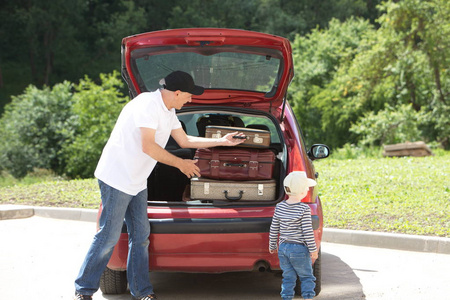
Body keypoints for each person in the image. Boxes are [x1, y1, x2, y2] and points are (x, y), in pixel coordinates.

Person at [74, 70, 245, 300]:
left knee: (141, 235)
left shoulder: (169, 110)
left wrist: (222, 142)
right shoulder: (147, 105)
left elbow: (184, 140)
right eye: (188, 95)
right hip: (117, 177)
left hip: (136, 179)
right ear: (176, 93)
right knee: (109, 236)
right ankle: (83, 289)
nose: (191, 99)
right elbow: (149, 147)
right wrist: (180, 164)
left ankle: (142, 291)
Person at [269, 171, 319, 300]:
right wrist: (313, 249)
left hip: (283, 248)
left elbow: (274, 228)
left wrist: (272, 245)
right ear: (303, 191)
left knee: (288, 276)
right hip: (299, 249)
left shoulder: (279, 207)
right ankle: (308, 297)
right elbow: (307, 231)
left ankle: (286, 297)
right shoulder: (304, 209)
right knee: (307, 276)